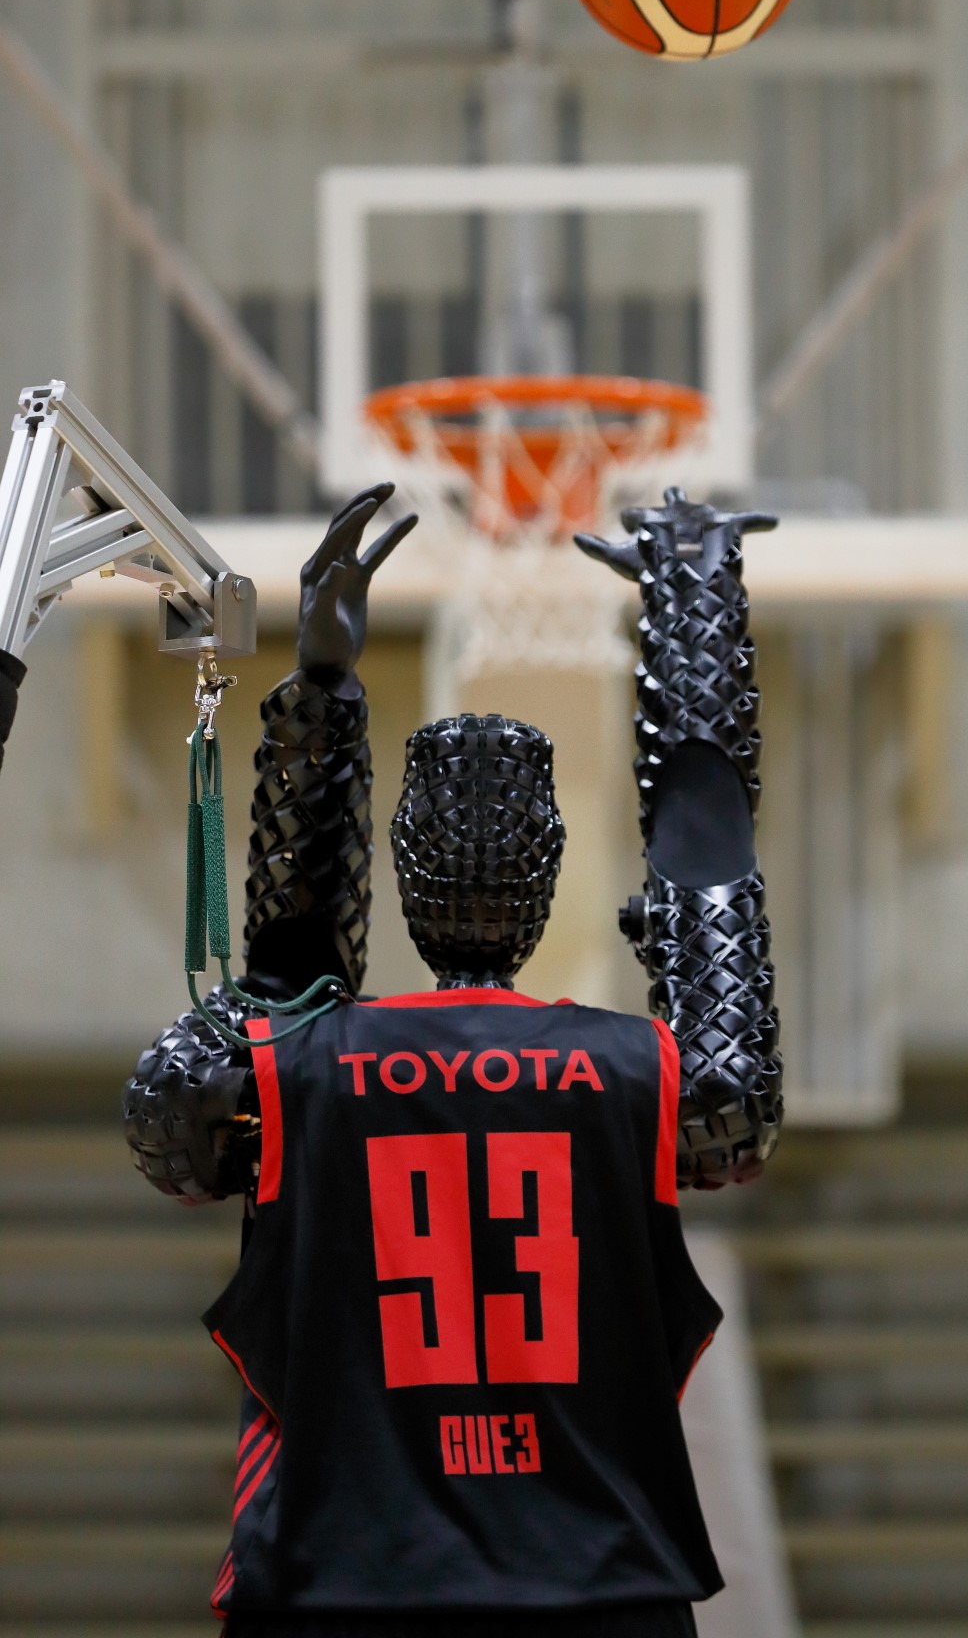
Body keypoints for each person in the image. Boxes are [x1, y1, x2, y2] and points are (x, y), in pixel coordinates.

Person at [123, 483, 781, 1638]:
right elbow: (736, 1086)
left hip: (339, 1591)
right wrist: (693, 624)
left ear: (400, 859)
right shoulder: (638, 1071)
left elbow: (178, 1112)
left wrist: (321, 699)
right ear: (549, 868)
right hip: (598, 1595)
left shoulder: (297, 1067)